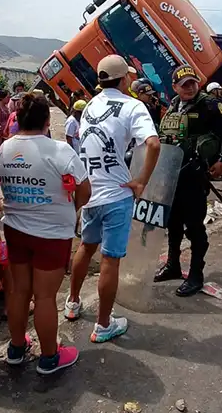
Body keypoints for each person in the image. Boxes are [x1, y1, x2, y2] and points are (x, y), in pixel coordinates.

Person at [66, 55, 160, 343]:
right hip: (117, 192)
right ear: (124, 79)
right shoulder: (133, 106)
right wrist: (141, 181)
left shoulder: (91, 106)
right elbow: (153, 143)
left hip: (91, 191)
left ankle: (72, 302)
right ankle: (104, 324)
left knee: (86, 247)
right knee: (111, 258)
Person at [0, 92, 90, 374]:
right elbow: (84, 192)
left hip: (15, 229)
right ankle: (50, 357)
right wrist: (66, 209)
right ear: (47, 120)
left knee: (19, 291)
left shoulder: (5, 149)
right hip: (52, 234)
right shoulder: (60, 151)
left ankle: (16, 348)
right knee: (46, 297)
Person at [153, 66, 222, 296]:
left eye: (192, 83)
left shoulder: (209, 105)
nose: (189, 87)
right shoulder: (173, 106)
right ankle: (173, 265)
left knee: (195, 227)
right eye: (184, 84)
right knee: (173, 223)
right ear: (175, 87)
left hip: (194, 174)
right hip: (173, 174)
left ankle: (196, 275)